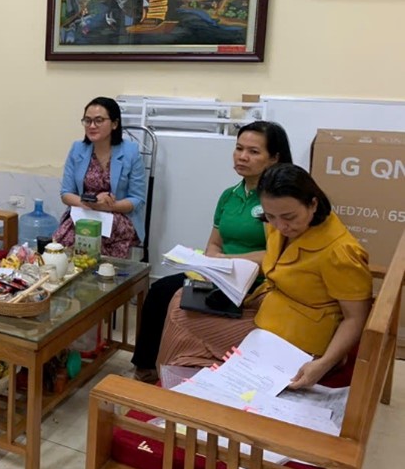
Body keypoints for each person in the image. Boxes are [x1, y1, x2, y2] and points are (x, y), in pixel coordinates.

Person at [158, 164, 372, 389]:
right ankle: (174, 381)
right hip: (271, 312)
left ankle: (170, 386)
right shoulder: (278, 226)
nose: (281, 226)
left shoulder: (340, 252)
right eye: (270, 216)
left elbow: (355, 318)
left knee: (181, 321)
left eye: (289, 217)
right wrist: (220, 266)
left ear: (313, 204)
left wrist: (325, 363)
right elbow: (275, 260)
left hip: (298, 338)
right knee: (181, 299)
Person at [131, 121, 293, 383]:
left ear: (274, 158)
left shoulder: (276, 201)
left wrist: (224, 260)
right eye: (239, 148)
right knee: (160, 290)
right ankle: (147, 369)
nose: (242, 156)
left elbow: (273, 257)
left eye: (253, 151)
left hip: (255, 283)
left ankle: (178, 366)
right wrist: (210, 264)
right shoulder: (229, 195)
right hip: (221, 275)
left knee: (178, 302)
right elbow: (214, 244)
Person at [58, 96, 146, 258]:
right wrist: (92, 203)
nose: (92, 126)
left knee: (100, 247)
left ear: (114, 124)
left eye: (99, 120)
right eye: (87, 121)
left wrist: (108, 206)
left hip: (117, 216)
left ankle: (106, 271)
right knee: (65, 244)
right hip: (83, 212)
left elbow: (137, 199)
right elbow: (66, 194)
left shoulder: (131, 152)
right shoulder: (77, 149)